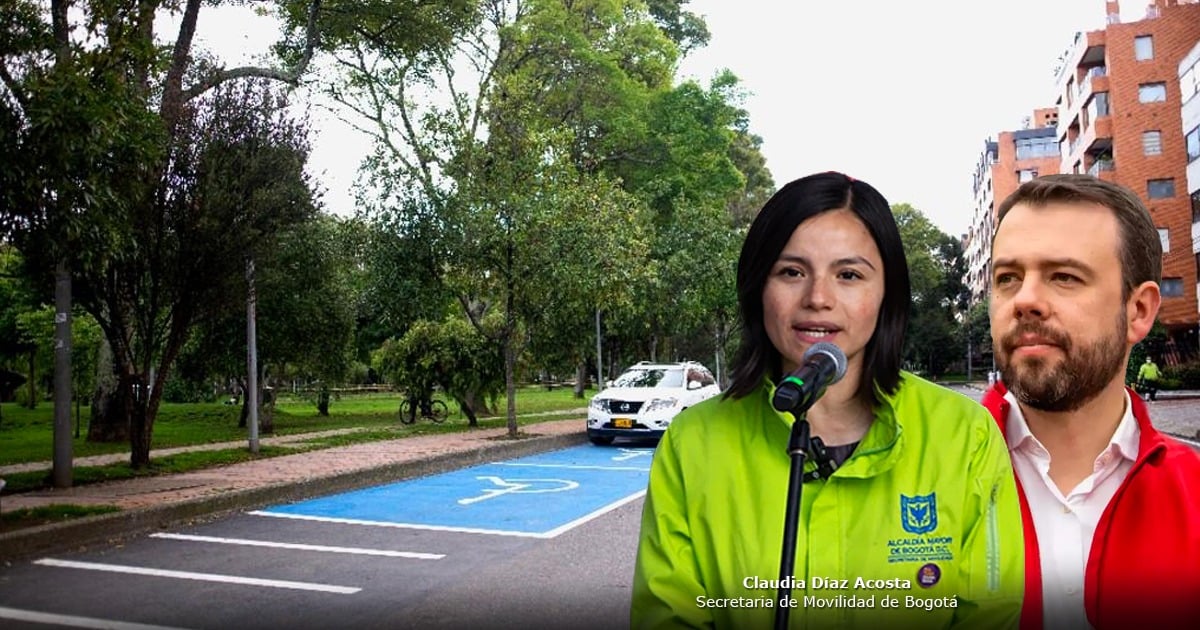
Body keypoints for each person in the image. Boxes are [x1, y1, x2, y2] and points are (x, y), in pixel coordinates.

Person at [631, 172, 1025, 629]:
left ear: (887, 294)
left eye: (849, 275)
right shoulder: (693, 442)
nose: (818, 298)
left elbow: (992, 615)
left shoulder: (965, 435)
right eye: (791, 272)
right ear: (759, 286)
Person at [982, 174, 1200, 630]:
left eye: (1064, 276)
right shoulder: (929, 475)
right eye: (1008, 278)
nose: (1024, 300)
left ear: (1138, 311)